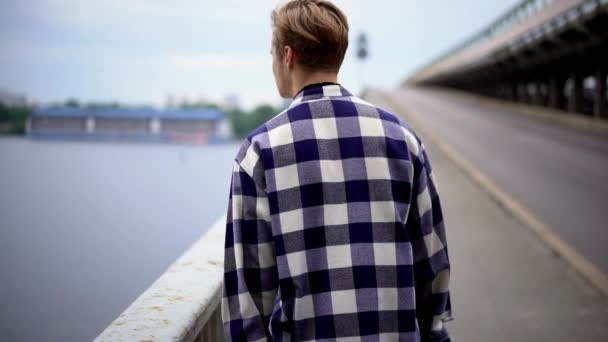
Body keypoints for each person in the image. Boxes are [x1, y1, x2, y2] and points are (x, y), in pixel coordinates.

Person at [222, 0, 453, 340]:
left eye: (272, 52)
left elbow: (248, 302)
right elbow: (432, 270)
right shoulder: (402, 140)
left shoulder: (259, 153)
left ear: (288, 56)